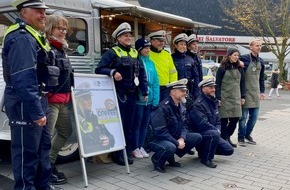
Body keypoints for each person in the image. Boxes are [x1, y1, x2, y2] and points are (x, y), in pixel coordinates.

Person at [2, 0, 63, 189]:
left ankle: (42, 186)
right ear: (24, 12)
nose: (43, 14)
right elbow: (24, 78)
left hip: (38, 99)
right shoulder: (21, 37)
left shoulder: (33, 35)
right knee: (27, 154)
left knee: (42, 150)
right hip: (25, 104)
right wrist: (37, 112)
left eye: (44, 11)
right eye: (38, 11)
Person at [95, 22, 148, 166]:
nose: (128, 37)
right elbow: (99, 69)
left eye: (129, 35)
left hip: (132, 95)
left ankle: (127, 150)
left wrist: (144, 90)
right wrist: (112, 72)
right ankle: (118, 153)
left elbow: (141, 73)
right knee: (118, 125)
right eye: (125, 35)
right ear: (118, 38)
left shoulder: (134, 52)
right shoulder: (112, 52)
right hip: (118, 94)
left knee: (129, 125)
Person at [45, 15, 74, 185]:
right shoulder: (48, 47)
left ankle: (50, 162)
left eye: (65, 28)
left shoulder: (61, 48)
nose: (63, 31)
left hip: (62, 100)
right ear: (50, 28)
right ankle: (45, 170)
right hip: (51, 101)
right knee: (45, 138)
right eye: (59, 28)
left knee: (65, 131)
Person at [149, 79, 202, 173]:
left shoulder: (179, 106)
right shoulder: (162, 108)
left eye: (185, 91)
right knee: (170, 146)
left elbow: (184, 125)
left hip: (172, 136)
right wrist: (176, 143)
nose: (185, 93)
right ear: (173, 92)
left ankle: (170, 156)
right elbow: (160, 131)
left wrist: (182, 138)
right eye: (182, 91)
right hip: (157, 139)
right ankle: (157, 160)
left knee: (197, 137)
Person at [187, 77, 234, 168]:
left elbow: (218, 120)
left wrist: (218, 130)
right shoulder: (198, 104)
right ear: (203, 89)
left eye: (214, 87)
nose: (213, 90)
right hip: (201, 133)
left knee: (229, 150)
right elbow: (202, 124)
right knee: (214, 134)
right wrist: (215, 131)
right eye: (211, 87)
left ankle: (203, 151)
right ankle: (206, 158)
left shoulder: (213, 101)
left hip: (212, 133)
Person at [132, 38, 160, 159]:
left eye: (149, 47)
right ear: (139, 49)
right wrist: (140, 94)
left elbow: (155, 82)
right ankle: (135, 147)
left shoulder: (151, 63)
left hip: (149, 98)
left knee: (145, 124)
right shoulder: (136, 61)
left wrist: (155, 99)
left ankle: (141, 145)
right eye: (145, 48)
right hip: (139, 99)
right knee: (137, 124)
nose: (148, 50)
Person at [215, 48, 246, 148]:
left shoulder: (240, 68)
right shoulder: (222, 69)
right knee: (224, 120)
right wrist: (218, 98)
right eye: (234, 55)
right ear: (229, 56)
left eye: (238, 55)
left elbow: (243, 83)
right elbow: (218, 84)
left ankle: (227, 136)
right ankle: (224, 139)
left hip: (236, 97)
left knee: (235, 119)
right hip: (224, 97)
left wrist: (243, 96)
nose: (237, 57)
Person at [238, 39, 265, 146]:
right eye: (257, 45)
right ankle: (240, 137)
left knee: (254, 117)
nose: (259, 47)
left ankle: (247, 135)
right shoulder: (243, 58)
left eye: (260, 45)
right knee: (243, 117)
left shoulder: (261, 61)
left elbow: (261, 78)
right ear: (251, 47)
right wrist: (238, 62)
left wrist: (262, 91)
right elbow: (231, 60)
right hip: (245, 92)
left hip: (255, 92)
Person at [75, 83, 115, 154]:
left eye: (90, 98)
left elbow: (110, 136)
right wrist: (100, 143)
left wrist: (109, 140)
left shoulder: (94, 117)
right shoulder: (76, 118)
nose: (90, 101)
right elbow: (84, 145)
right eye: (86, 99)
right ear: (78, 101)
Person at [148, 30, 177, 101]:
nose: (161, 43)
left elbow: (173, 72)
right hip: (151, 88)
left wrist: (173, 87)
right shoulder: (147, 54)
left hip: (166, 89)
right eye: (159, 41)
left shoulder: (167, 55)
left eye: (163, 41)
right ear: (152, 41)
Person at [171, 33, 200, 100]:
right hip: (175, 90)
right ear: (176, 45)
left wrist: (196, 92)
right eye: (181, 44)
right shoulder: (171, 58)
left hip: (188, 90)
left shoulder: (190, 59)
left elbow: (196, 76)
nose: (183, 46)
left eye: (185, 45)